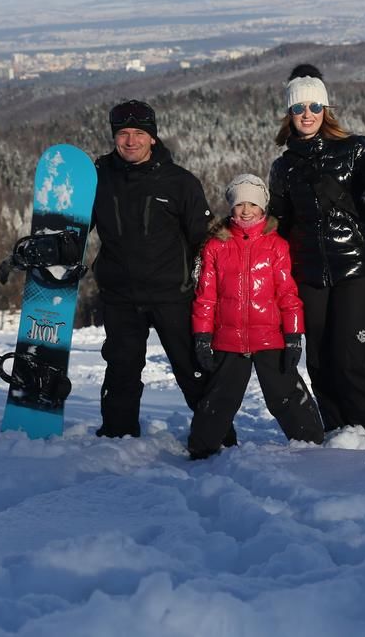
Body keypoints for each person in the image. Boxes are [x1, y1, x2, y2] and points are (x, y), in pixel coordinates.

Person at [268, 65, 365, 442]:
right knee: (320, 362)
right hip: (308, 273)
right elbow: (279, 222)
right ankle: (341, 431)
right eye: (298, 109)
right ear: (289, 116)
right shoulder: (284, 167)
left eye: (314, 107)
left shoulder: (354, 151)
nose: (306, 114)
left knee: (352, 358)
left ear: (326, 111)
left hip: (354, 267)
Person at [91, 99, 231, 442]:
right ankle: (117, 439)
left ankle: (218, 438)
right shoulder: (98, 179)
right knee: (122, 370)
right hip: (120, 295)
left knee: (193, 370)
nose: (131, 141)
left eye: (139, 133)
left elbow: (205, 239)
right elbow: (77, 227)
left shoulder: (180, 183)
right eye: (123, 133)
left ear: (153, 137)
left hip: (173, 295)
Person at [188, 174, 325, 459]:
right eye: (240, 205)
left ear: (264, 207)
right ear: (231, 208)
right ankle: (201, 450)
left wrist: (293, 336)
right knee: (220, 398)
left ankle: (312, 445)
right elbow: (206, 296)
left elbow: (288, 294)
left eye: (253, 204)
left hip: (270, 337)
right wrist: (202, 336)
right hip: (228, 338)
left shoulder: (276, 246)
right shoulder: (216, 246)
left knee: (285, 395)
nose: (246, 211)